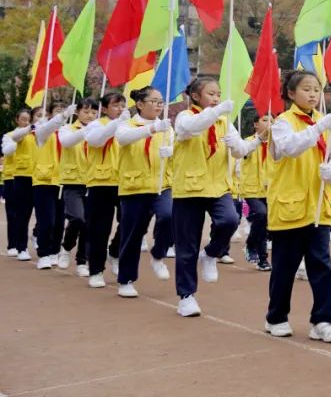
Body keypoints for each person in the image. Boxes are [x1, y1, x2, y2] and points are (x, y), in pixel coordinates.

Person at [264, 70, 331, 343]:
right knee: (285, 267)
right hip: (290, 207)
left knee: (321, 265)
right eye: (306, 89)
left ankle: (323, 321)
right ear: (291, 93)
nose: (313, 94)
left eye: (316, 89)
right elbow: (290, 148)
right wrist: (318, 128)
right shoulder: (282, 123)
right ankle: (276, 317)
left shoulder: (324, 122)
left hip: (319, 206)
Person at [171, 77, 257, 317]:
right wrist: (218, 110)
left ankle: (210, 253)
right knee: (186, 244)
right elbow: (191, 128)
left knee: (229, 220)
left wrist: (237, 144)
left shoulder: (223, 121)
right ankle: (186, 296)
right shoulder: (185, 117)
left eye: (218, 94)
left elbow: (240, 151)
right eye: (211, 94)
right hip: (189, 188)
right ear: (196, 97)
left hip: (218, 186)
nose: (216, 98)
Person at [113, 86, 174, 297]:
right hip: (134, 187)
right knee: (132, 234)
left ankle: (158, 254)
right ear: (140, 104)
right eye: (154, 101)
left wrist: (172, 150)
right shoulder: (126, 125)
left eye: (161, 102)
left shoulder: (166, 127)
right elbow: (124, 139)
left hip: (161, 185)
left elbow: (178, 149)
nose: (159, 105)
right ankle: (126, 280)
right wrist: (152, 129)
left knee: (168, 216)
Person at [83, 93, 129, 287]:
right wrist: (117, 123)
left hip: (126, 181)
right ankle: (96, 270)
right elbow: (97, 140)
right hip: (100, 182)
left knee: (131, 221)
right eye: (116, 105)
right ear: (104, 108)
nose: (120, 109)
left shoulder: (127, 124)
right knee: (100, 228)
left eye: (122, 105)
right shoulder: (96, 125)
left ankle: (115, 251)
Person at [30, 101, 76, 268]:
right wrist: (62, 116)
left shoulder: (68, 131)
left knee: (59, 221)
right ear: (50, 114)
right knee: (46, 219)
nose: (61, 113)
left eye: (63, 111)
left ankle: (54, 251)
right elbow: (48, 128)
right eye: (56, 111)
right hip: (44, 179)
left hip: (64, 180)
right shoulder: (42, 130)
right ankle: (43, 253)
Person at [56, 98, 99, 275]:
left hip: (95, 181)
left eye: (93, 112)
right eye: (86, 111)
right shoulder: (67, 129)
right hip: (73, 181)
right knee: (77, 218)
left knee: (90, 224)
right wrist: (87, 131)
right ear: (77, 112)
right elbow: (66, 142)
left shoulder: (100, 129)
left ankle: (82, 261)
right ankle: (66, 247)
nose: (90, 115)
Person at [237, 114, 273, 271]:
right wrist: (259, 140)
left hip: (270, 189)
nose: (269, 123)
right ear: (255, 125)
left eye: (272, 120)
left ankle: (259, 255)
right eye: (265, 120)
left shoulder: (276, 143)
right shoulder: (247, 142)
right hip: (252, 188)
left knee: (265, 223)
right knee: (261, 214)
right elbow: (243, 154)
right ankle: (259, 254)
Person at [3, 108, 37, 261]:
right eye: (23, 119)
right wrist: (20, 139)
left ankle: (24, 242)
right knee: (13, 213)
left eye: (28, 119)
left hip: (31, 176)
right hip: (11, 177)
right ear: (17, 120)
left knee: (27, 212)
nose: (26, 122)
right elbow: (7, 151)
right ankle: (13, 245)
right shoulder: (9, 136)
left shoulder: (34, 135)